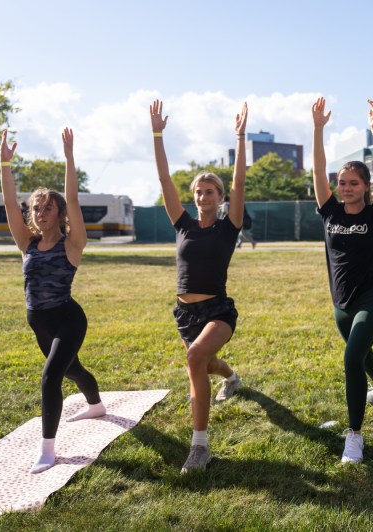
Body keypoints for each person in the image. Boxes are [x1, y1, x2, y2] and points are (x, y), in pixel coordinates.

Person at [0, 128, 106, 474]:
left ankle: (48, 450)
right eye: (36, 208)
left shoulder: (71, 244)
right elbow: (7, 203)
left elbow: (73, 200)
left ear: (59, 215)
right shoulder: (25, 243)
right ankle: (96, 404)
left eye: (49, 208)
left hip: (68, 320)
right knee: (72, 369)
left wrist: (70, 157)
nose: (42, 213)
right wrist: (4, 165)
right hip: (39, 323)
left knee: (50, 378)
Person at [150, 99, 247, 473]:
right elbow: (163, 179)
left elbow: (239, 181)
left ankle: (200, 446)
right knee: (204, 364)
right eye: (198, 192)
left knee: (194, 359)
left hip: (218, 310)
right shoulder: (183, 225)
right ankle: (232, 377)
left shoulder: (228, 226)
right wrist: (158, 134)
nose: (202, 197)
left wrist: (239, 136)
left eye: (210, 192)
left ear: (220, 198)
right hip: (185, 313)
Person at [311, 97, 373, 464]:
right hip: (339, 305)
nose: (345, 187)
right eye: (342, 182)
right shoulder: (329, 211)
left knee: (350, 359)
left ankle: (355, 437)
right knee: (362, 355)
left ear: (364, 186)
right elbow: (317, 169)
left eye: (353, 183)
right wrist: (317, 129)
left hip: (368, 300)